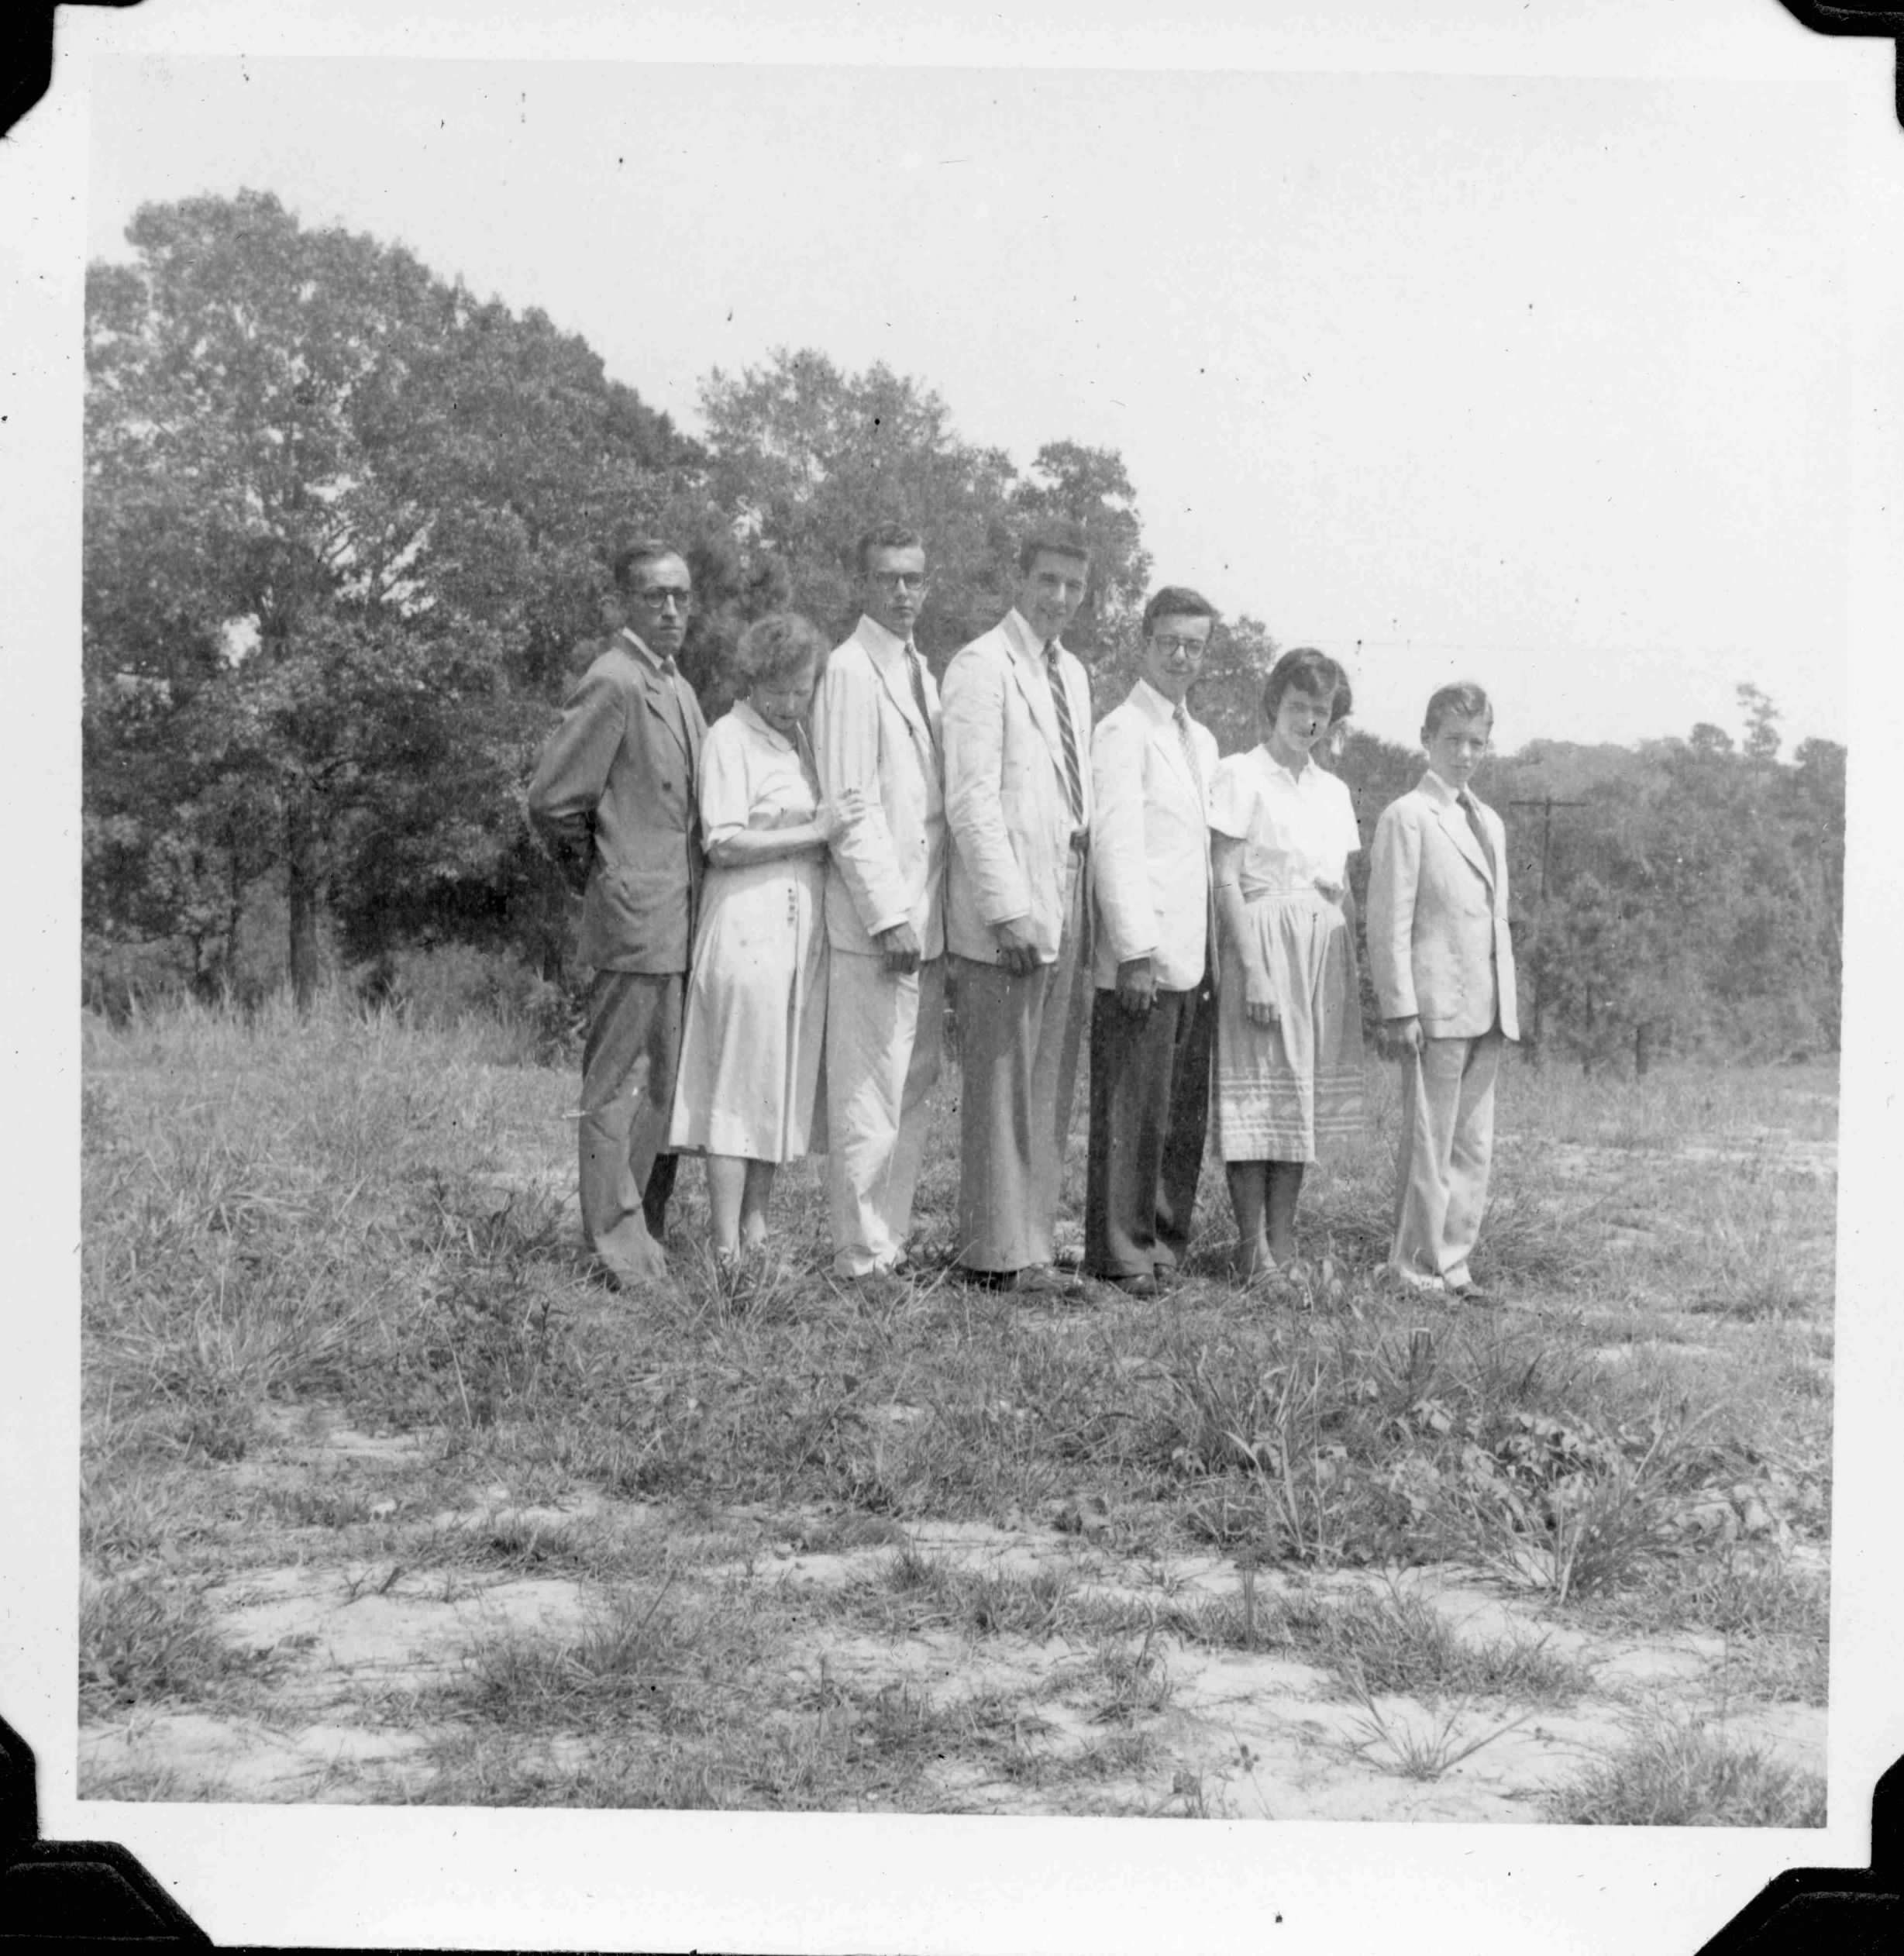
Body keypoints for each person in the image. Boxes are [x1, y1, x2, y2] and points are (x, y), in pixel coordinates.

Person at [528, 538, 706, 1291]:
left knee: (665, 1085)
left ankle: (644, 1236)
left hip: (679, 919)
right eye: (654, 595)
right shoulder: (613, 679)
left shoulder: (677, 686)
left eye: (680, 596)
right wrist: (604, 874)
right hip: (635, 918)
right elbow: (553, 801)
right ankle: (614, 1246)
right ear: (623, 604)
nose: (670, 609)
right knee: (615, 1087)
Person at [941, 520, 1097, 1291]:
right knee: (1001, 1083)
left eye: (1074, 585)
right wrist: (1005, 911)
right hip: (1008, 906)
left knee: (1046, 1080)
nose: (1059, 597)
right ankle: (992, 1252)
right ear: (1021, 577)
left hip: (1064, 890)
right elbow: (971, 800)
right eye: (1048, 580)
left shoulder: (1073, 673)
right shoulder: (981, 664)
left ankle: (1030, 1241)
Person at [666, 613, 846, 1268]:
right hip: (747, 921)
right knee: (739, 1085)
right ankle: (725, 1249)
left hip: (795, 930)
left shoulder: (798, 741)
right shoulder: (729, 737)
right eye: (778, 691)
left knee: (775, 1081)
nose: (791, 703)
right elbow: (722, 840)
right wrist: (814, 832)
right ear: (752, 680)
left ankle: (757, 1231)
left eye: (802, 689)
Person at [811, 523, 948, 1290]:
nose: (903, 591)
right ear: (862, 585)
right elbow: (850, 805)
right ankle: (859, 1256)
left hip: (928, 913)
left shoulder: (920, 668)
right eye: (888, 578)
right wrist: (887, 913)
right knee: (868, 1090)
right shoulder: (849, 669)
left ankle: (889, 1241)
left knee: (912, 1086)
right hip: (879, 922)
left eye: (914, 578)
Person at [1083, 587, 1221, 1296]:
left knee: (1176, 1116)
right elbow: (1115, 846)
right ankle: (1121, 1252)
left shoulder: (1202, 741)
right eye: (1169, 641)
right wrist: (1132, 951)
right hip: (1142, 958)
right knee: (1131, 1113)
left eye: (1193, 645)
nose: (1180, 656)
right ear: (1144, 642)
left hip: (1192, 958)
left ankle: (1163, 1243)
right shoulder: (1121, 731)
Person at [1210, 648, 1365, 1279]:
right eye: (1297, 706)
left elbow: (1341, 885)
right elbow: (1224, 877)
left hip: (1320, 953)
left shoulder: (1334, 791)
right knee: (1257, 1097)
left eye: (1320, 711)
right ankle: (1252, 1251)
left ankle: (1284, 1241)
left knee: (1297, 1101)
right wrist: (1253, 969)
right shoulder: (1239, 774)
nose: (1308, 721)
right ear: (1274, 704)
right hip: (1263, 942)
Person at [1366, 682, 1519, 1303]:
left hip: (1486, 1004)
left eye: (1476, 742)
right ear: (1425, 739)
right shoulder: (1407, 815)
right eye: (1452, 740)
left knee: (1472, 1145)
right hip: (1433, 1007)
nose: (1464, 754)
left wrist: (1505, 1001)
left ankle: (1454, 1263)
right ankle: (1414, 1269)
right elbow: (1388, 920)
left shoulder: (1489, 821)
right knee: (1428, 1145)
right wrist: (1399, 1007)